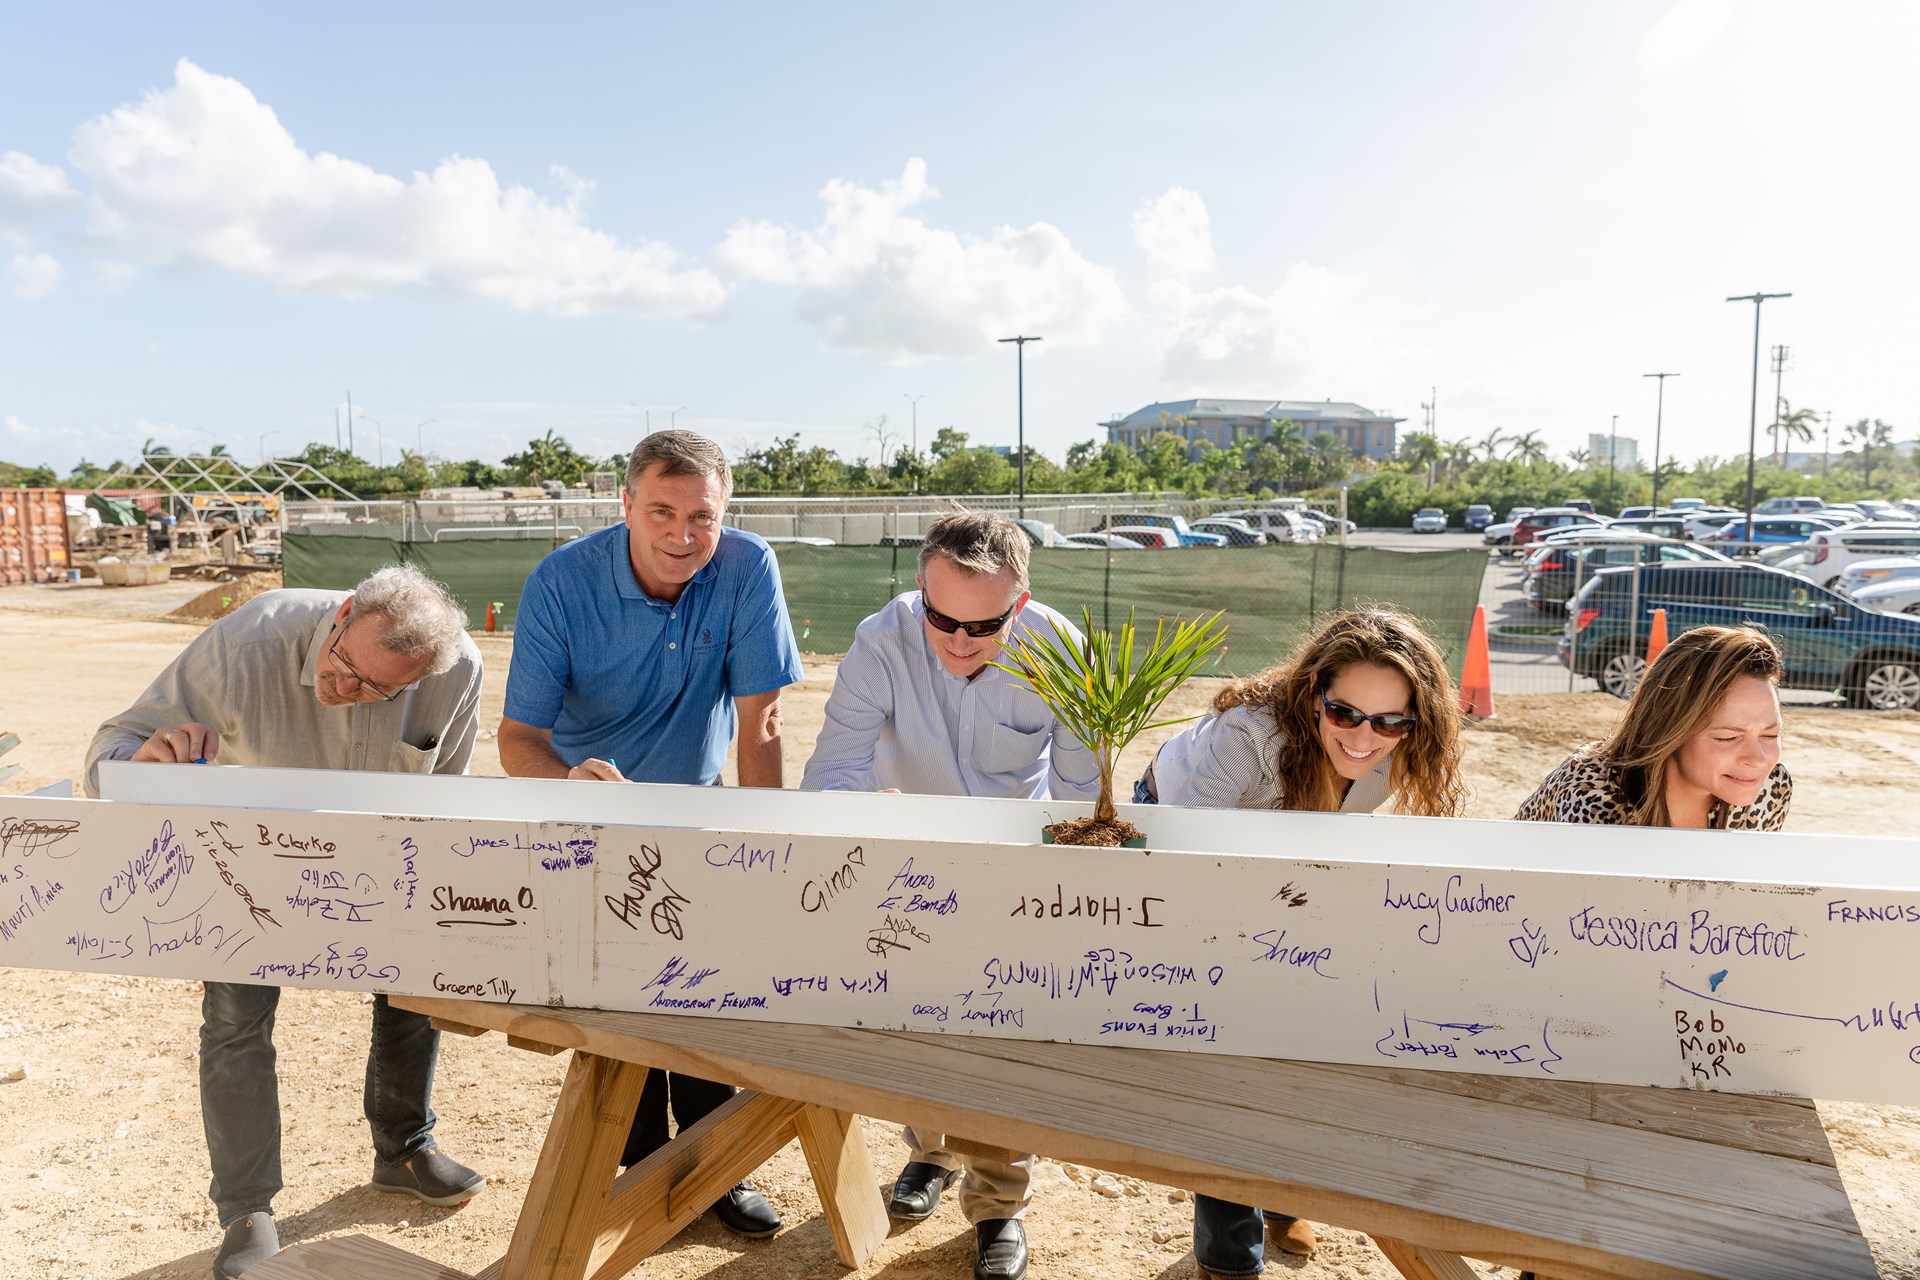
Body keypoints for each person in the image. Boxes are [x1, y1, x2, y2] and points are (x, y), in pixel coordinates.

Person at [83, 565, 486, 1280]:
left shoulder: (458, 670)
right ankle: (245, 1210)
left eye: (378, 690)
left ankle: (404, 1149)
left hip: (383, 849)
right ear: (339, 616)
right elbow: (111, 749)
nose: (345, 691)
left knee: (411, 1001)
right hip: (253, 859)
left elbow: (445, 793)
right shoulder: (249, 641)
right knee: (236, 1019)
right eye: (342, 667)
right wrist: (141, 765)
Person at [498, 428, 802, 1239]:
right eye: (661, 511)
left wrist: (762, 837)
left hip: (698, 813)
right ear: (624, 504)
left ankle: (715, 1172)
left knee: (710, 999)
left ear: (724, 514)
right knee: (618, 1008)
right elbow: (516, 740)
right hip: (588, 821)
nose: (681, 534)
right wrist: (570, 784)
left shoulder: (746, 566)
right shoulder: (561, 582)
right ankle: (635, 1170)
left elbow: (761, 718)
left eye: (701, 516)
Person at [802, 509, 1100, 1280]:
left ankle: (999, 1202)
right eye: (942, 619)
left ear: (1022, 605)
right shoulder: (880, 641)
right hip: (914, 847)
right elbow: (834, 768)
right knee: (916, 1004)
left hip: (1019, 860)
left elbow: (1082, 791)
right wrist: (866, 828)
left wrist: (1058, 884)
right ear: (918, 590)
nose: (961, 641)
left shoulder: (1065, 651)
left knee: (1004, 1024)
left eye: (985, 625)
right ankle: (931, 1151)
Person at [1136, 607, 1468, 1280]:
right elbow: (1190, 871)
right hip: (1189, 837)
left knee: (1310, 1022)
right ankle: (1230, 1256)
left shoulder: (1389, 752)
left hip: (1286, 862)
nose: (1365, 736)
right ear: (1314, 690)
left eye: (1390, 722)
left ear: (1415, 721)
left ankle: (1282, 1192)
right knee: (1231, 1039)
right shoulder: (1243, 740)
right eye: (1345, 713)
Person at [1515, 624, 1790, 829]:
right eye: (1728, 737)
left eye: (1770, 734)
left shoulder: (1771, 788)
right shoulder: (1594, 792)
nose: (1758, 760)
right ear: (1669, 731)